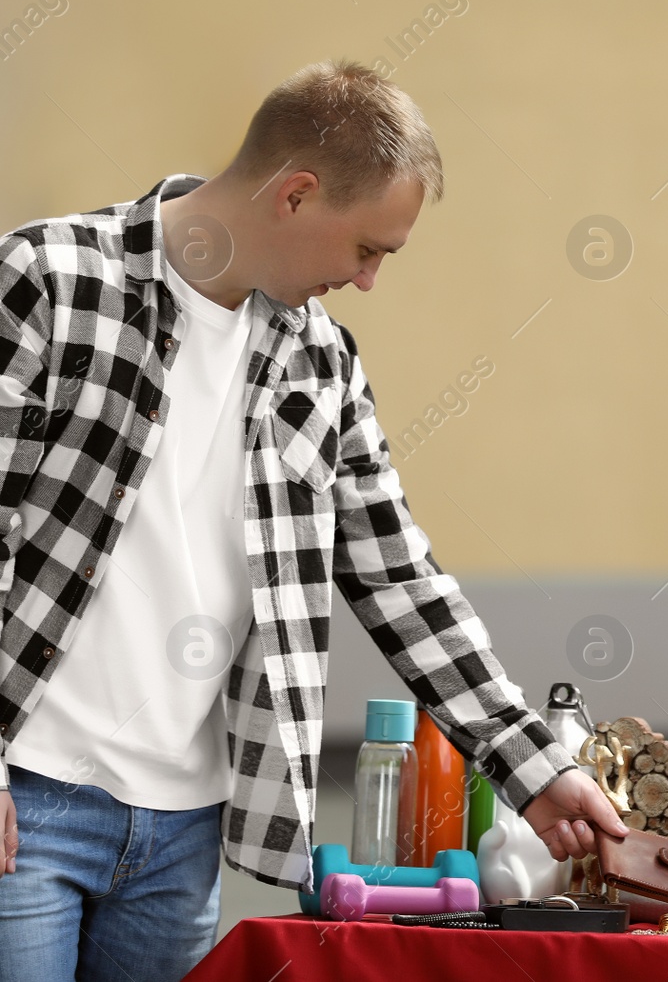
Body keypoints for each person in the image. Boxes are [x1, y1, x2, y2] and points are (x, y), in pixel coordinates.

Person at [0, 60, 627, 981]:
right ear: (295, 194)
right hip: (28, 801)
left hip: (182, 833)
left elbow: (402, 582)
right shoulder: (50, 280)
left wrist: (536, 767)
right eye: (369, 248)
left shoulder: (321, 362)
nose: (368, 279)